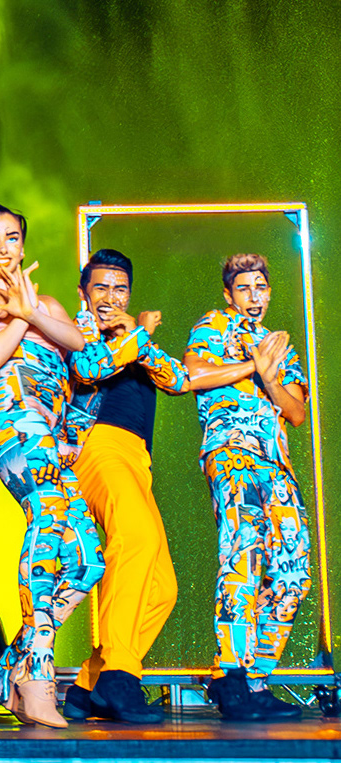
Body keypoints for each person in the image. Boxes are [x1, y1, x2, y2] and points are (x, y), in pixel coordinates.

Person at [0, 203, 104, 729]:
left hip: (49, 431)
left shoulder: (46, 302)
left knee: (89, 560)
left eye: (11, 237)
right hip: (8, 418)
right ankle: (39, 680)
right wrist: (20, 314)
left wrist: (31, 309)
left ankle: (4, 675)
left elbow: (82, 348)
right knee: (47, 523)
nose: (3, 247)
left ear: (23, 246)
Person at [61, 249, 188, 723]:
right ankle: (119, 675)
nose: (110, 298)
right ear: (84, 293)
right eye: (101, 287)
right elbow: (89, 370)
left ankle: (88, 687)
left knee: (162, 589)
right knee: (135, 539)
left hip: (137, 458)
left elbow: (178, 379)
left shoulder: (135, 339)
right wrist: (139, 333)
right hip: (98, 446)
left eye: (119, 289)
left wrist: (140, 337)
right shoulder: (77, 332)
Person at [185, 253, 310, 721]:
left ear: (270, 292)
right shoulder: (215, 324)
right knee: (244, 553)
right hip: (231, 454)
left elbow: (296, 413)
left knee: (294, 568)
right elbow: (192, 374)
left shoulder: (280, 346)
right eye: (243, 288)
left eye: (260, 287)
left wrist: (270, 376)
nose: (253, 296)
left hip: (277, 464)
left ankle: (254, 680)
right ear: (228, 294)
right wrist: (250, 367)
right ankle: (230, 673)